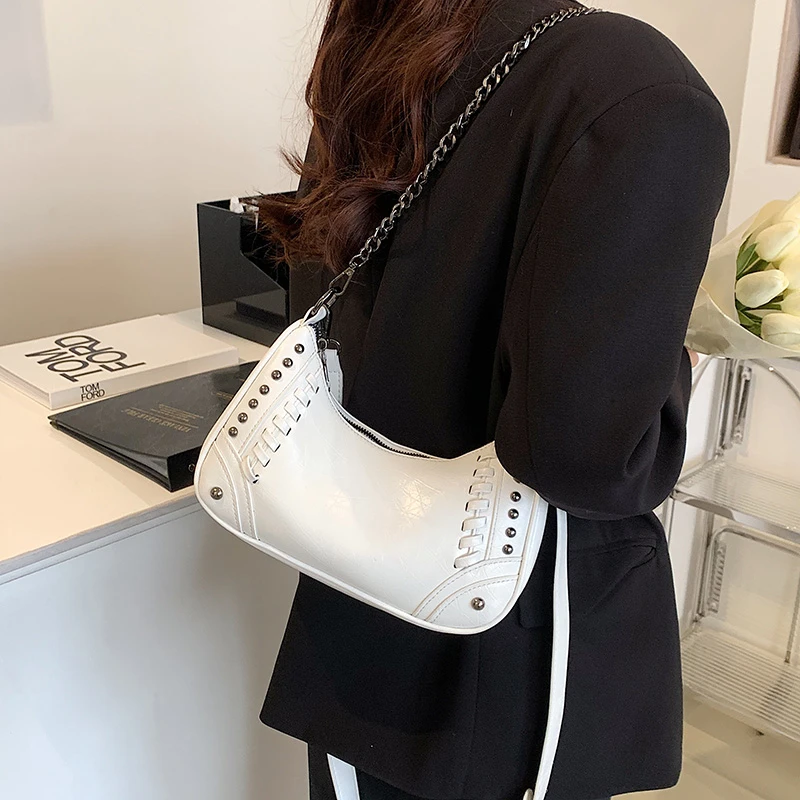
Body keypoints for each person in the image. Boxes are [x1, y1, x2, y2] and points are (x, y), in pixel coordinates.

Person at [255, 1, 729, 799]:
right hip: (511, 666)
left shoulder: (384, 48)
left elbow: (327, 317)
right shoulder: (640, 87)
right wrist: (675, 365)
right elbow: (584, 459)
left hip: (358, 626)